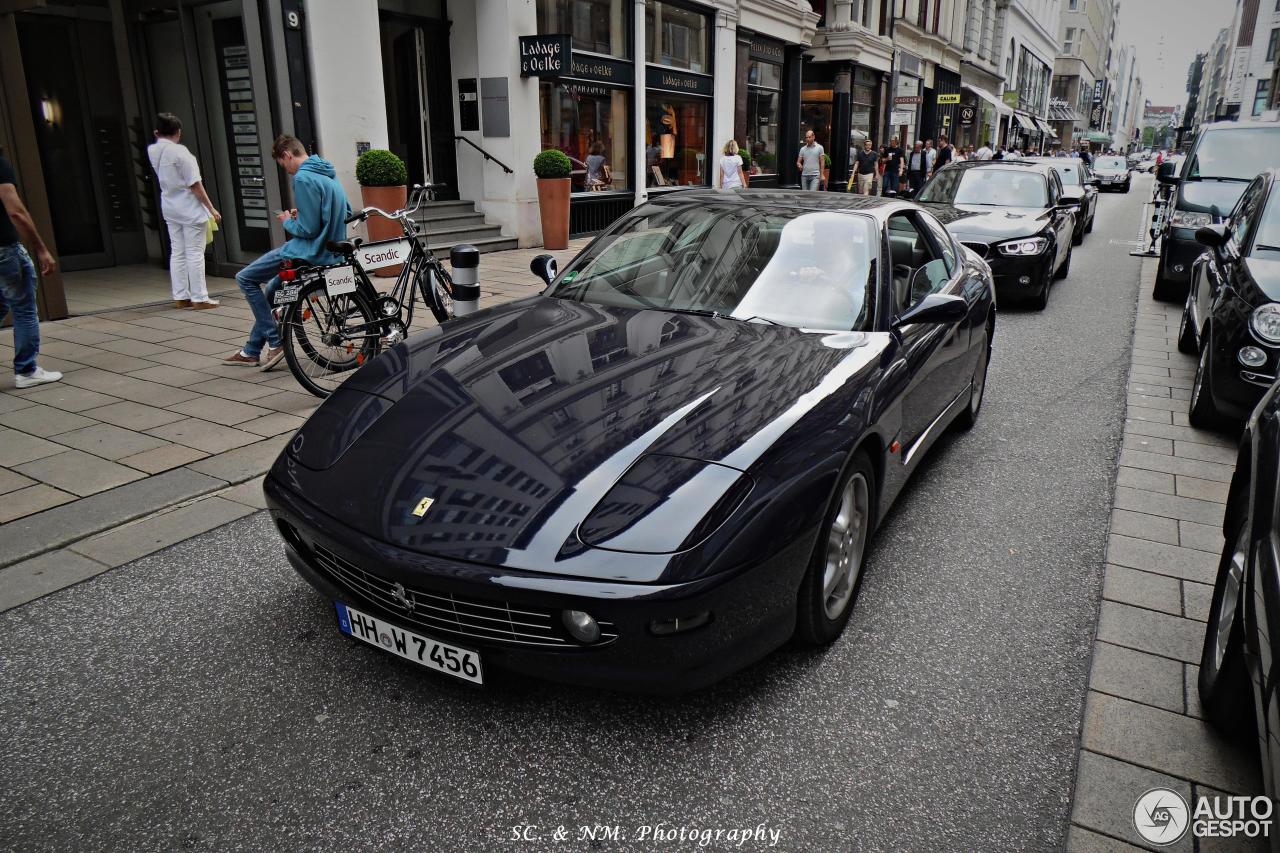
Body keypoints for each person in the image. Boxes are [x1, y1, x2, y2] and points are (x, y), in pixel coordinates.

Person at [224, 135, 350, 370]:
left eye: (283, 164)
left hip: (307, 251)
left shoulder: (303, 178)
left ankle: (275, 341)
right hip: (330, 250)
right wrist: (300, 214)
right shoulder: (327, 173)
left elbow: (309, 229)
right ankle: (251, 350)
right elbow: (346, 210)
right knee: (272, 289)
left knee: (245, 278)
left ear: (287, 155)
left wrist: (287, 221)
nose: (286, 170)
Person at [147, 113, 221, 310]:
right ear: (178, 132)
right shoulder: (181, 153)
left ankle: (181, 295)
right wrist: (211, 208)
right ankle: (200, 297)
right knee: (195, 253)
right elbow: (195, 184)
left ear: (157, 132)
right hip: (189, 207)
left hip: (169, 206)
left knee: (178, 251)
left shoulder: (153, 151)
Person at [0, 150, 60, 388]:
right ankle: (26, 370)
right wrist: (41, 249)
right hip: (4, 248)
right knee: (24, 307)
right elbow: (16, 211)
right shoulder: (0, 164)